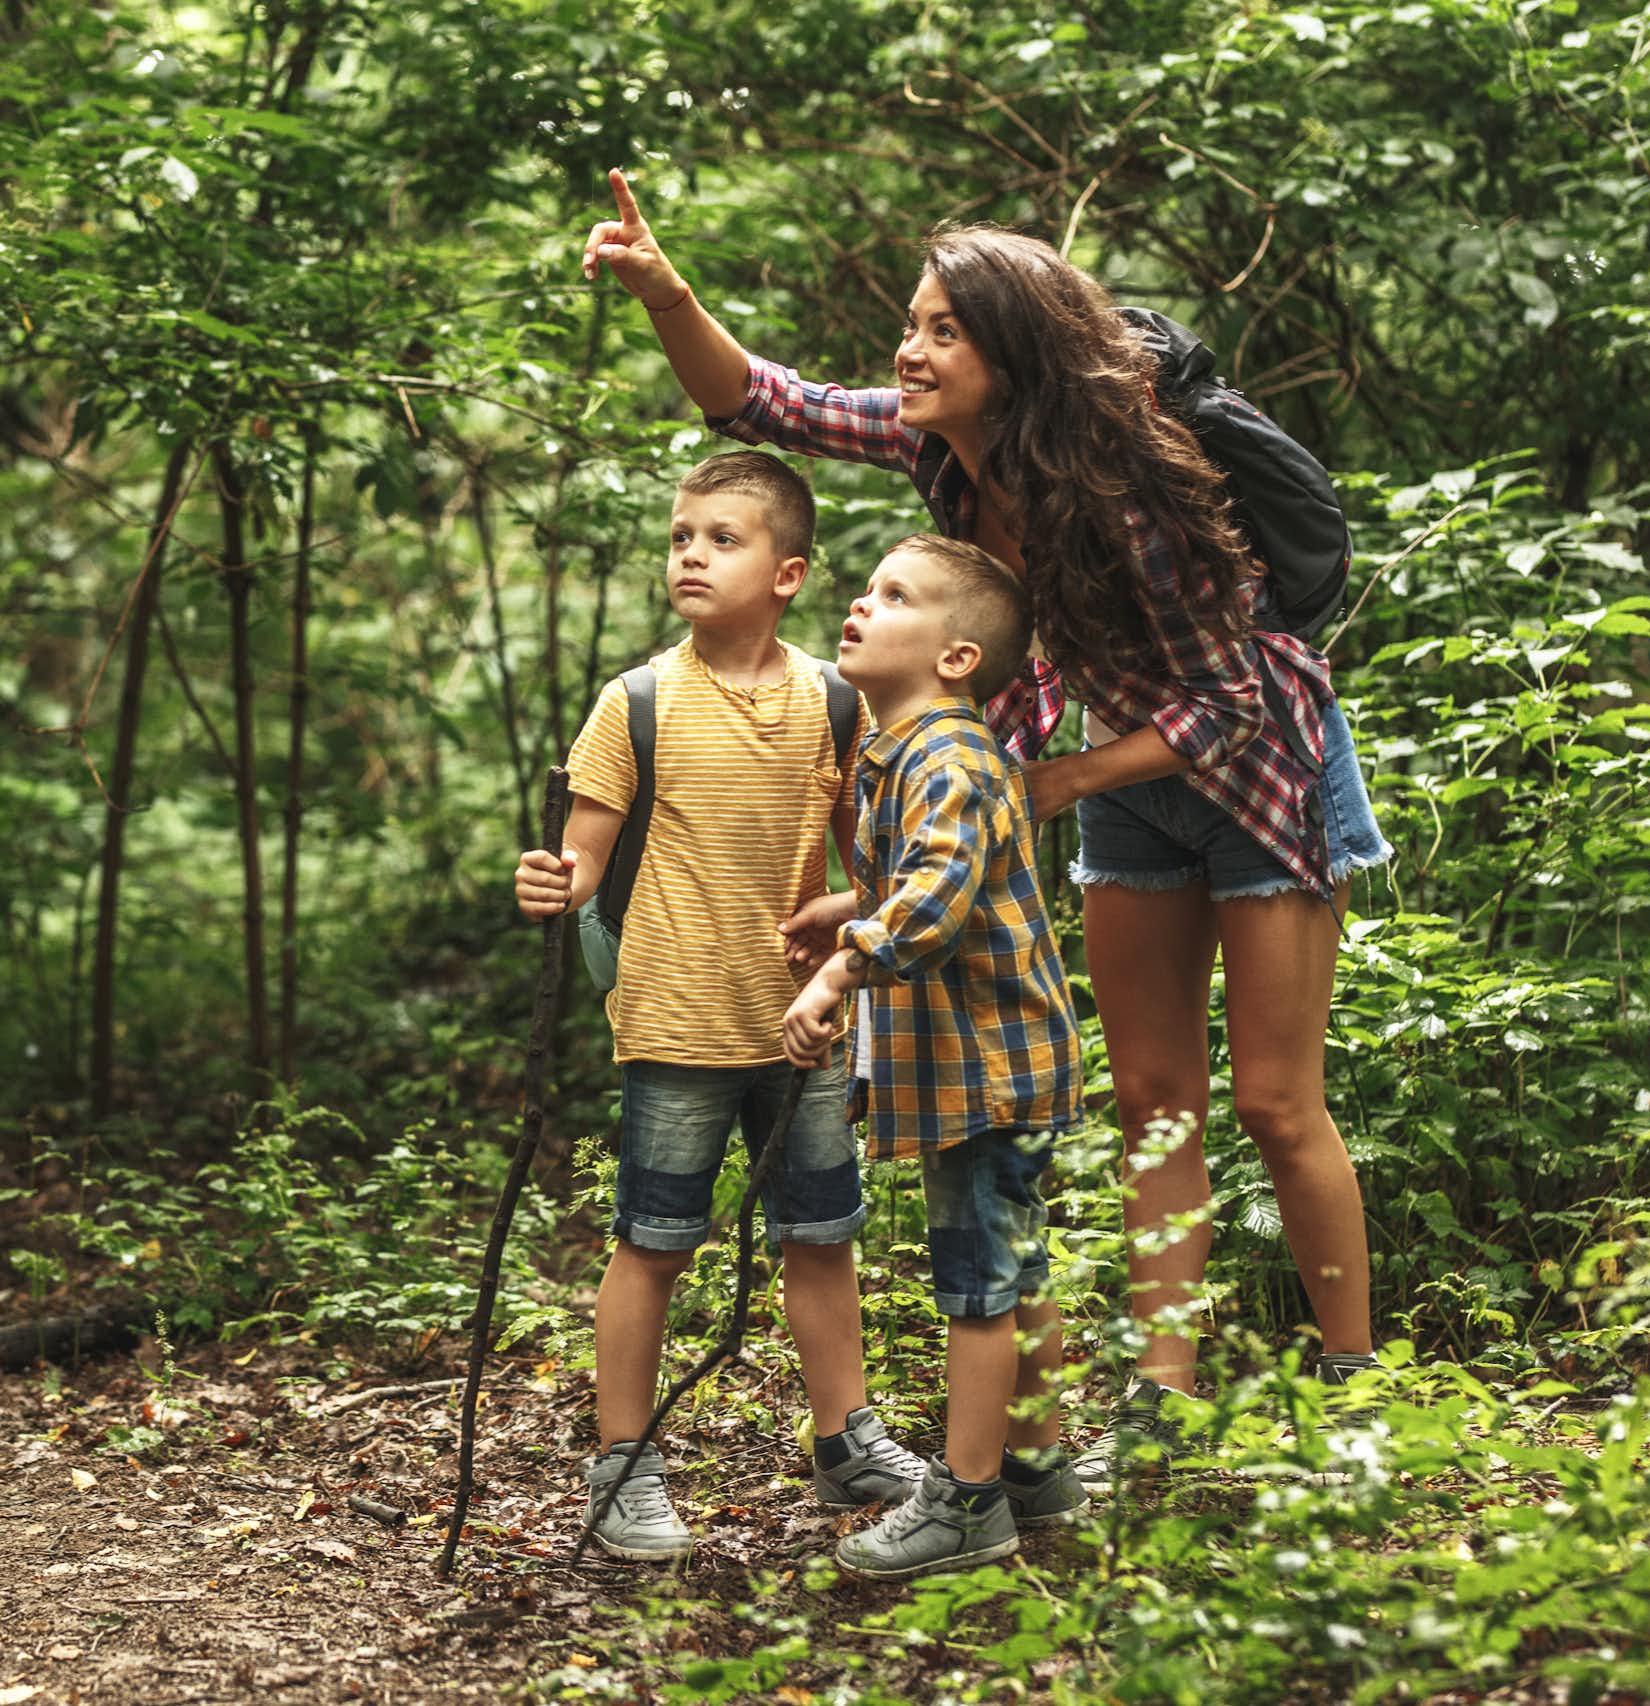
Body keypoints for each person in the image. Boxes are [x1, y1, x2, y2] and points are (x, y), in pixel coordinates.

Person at [586, 169, 1393, 1484]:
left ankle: (1360, 1387)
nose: (910, 351)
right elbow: (759, 400)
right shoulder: (938, 452)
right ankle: (1165, 1401)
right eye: (911, 325)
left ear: (1010, 354)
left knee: (1274, 1101)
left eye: (943, 331)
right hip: (1122, 771)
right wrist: (664, 286)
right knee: (1151, 1098)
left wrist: (1058, 784)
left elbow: (1233, 696)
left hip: (1264, 770)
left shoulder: (1126, 489)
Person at [512, 450, 924, 1563]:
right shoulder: (634, 701)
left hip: (804, 1025)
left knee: (821, 1236)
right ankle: (622, 1462)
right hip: (676, 1019)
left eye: (721, 538)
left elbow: (876, 870)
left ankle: (845, 1438)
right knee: (651, 1242)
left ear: (788, 572)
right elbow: (581, 862)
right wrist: (548, 881)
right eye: (681, 535)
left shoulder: (837, 702)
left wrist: (843, 925)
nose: (691, 553)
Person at [781, 535, 1086, 1578]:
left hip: (986, 1072)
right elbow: (926, 877)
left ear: (956, 655)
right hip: (984, 1068)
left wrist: (835, 971)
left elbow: (931, 901)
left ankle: (967, 1502)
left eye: (894, 595)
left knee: (977, 1286)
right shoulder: (908, 752)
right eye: (864, 589)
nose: (861, 605)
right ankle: (1034, 1465)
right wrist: (845, 905)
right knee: (1014, 1268)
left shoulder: (948, 756)